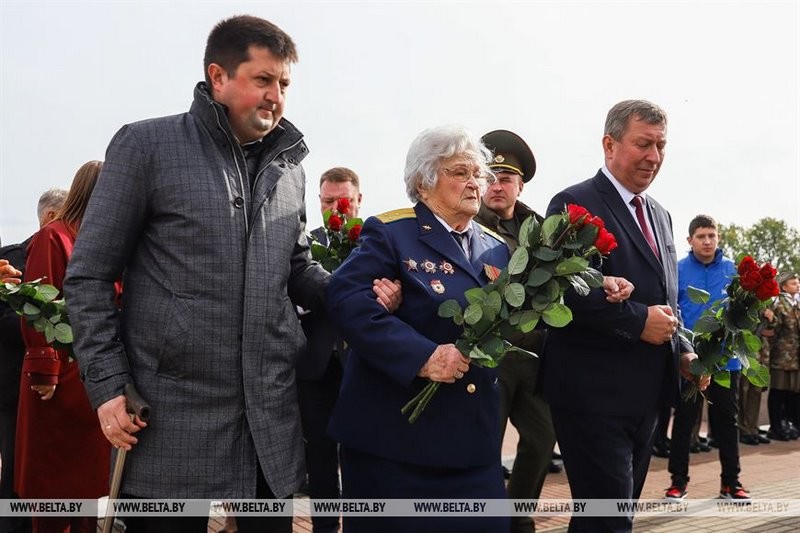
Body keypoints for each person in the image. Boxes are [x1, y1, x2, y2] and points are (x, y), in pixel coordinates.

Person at [63, 16, 329, 533]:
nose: (276, 95)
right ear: (218, 76)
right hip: (168, 425)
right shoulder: (147, 147)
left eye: (284, 84)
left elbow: (297, 268)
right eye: (263, 79)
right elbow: (89, 276)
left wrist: (363, 291)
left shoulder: (291, 170)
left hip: (268, 426)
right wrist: (109, 385)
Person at [327, 125, 510, 532]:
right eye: (460, 172)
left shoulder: (497, 247)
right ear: (425, 181)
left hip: (473, 446)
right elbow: (346, 298)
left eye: (479, 174)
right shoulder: (392, 232)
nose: (475, 182)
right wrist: (422, 356)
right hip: (396, 446)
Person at [543, 100, 708, 532]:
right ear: (609, 144)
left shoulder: (660, 214)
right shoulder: (572, 204)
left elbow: (665, 299)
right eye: (643, 144)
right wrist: (637, 322)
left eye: (661, 146)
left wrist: (686, 350)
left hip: (648, 397)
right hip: (592, 396)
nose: (654, 157)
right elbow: (562, 292)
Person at [15, 161, 109, 533]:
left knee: (86, 489)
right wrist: (44, 370)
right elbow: (36, 302)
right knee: (53, 490)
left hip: (87, 383)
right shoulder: (52, 236)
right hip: (56, 386)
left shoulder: (93, 239)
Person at [665, 214, 750, 501]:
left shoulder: (732, 270)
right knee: (685, 423)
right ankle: (678, 482)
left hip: (726, 362)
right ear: (690, 240)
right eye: (701, 236)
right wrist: (683, 352)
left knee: (727, 422)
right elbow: (672, 311)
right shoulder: (677, 270)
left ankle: (731, 483)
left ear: (718, 238)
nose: (707, 241)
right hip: (692, 362)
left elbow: (744, 311)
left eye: (711, 235)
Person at [296, 167, 362, 533]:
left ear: (358, 201)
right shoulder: (303, 248)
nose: (336, 209)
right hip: (315, 367)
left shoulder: (376, 243)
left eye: (343, 201)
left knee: (358, 455)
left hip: (362, 367)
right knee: (318, 457)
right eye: (327, 202)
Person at [0, 188, 67, 533]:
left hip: (62, 389)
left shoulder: (75, 256)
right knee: (15, 478)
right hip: (14, 389)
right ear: (52, 218)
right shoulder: (8, 260)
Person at [766, 272, 800, 441]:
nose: (797, 285)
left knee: (793, 393)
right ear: (784, 287)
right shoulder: (779, 304)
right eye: (793, 283)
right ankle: (777, 426)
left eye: (798, 282)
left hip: (796, 357)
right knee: (778, 392)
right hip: (782, 356)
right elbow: (773, 329)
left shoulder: (797, 304)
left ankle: (792, 424)